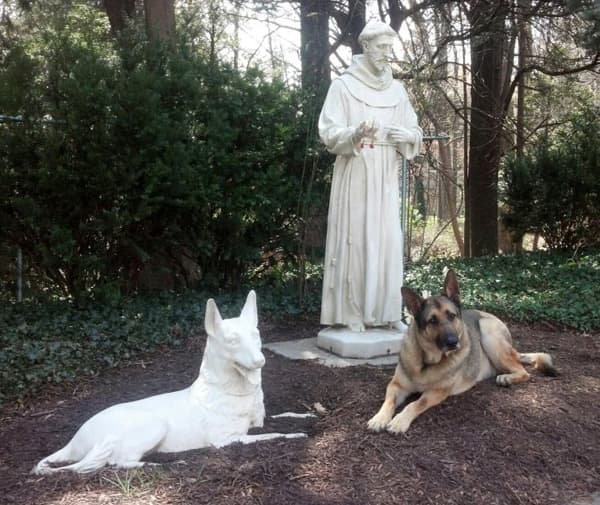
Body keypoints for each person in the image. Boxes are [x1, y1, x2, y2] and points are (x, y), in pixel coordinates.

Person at [318, 20, 422, 333]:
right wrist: (353, 133)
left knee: (388, 239)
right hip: (357, 172)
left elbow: (414, 131)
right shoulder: (343, 86)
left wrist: (406, 134)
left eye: (390, 48)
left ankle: (388, 312)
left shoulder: (397, 90)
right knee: (358, 241)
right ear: (366, 46)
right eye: (381, 47)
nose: (386, 53)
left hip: (386, 176)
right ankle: (352, 313)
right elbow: (328, 131)